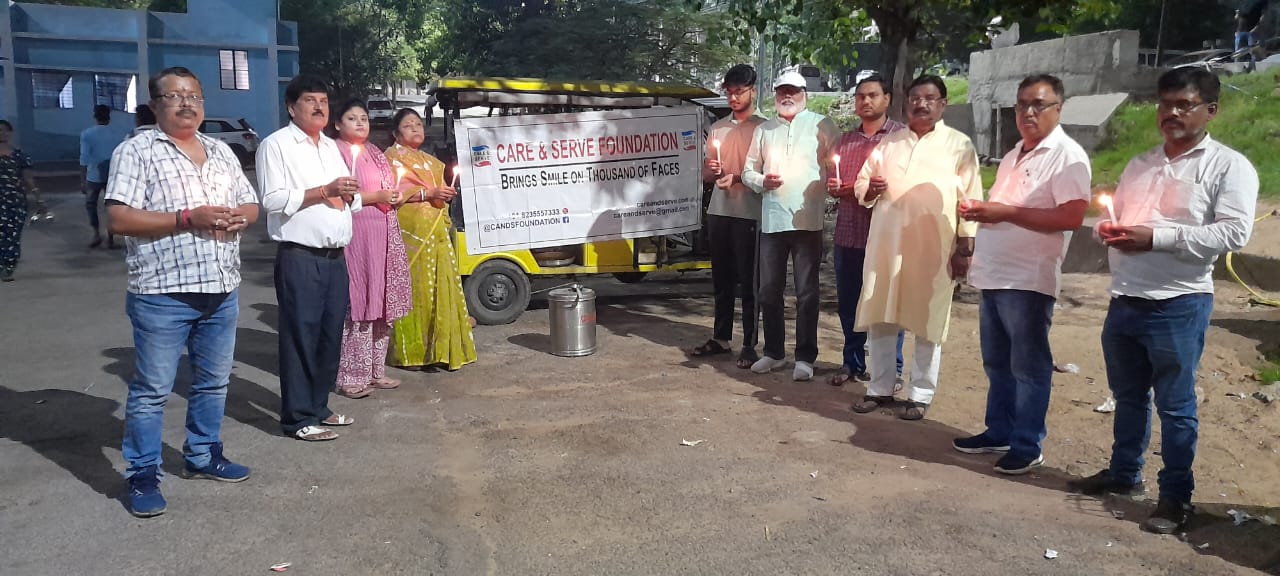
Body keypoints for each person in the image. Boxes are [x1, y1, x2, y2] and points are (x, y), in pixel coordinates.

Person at [1070, 68, 1258, 534]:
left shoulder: (1228, 166)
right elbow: (1120, 217)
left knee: (1176, 406)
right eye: (1165, 104)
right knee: (1128, 396)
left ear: (1210, 111)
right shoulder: (1141, 164)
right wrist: (1106, 230)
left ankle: (1176, 497)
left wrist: (1156, 238)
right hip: (1125, 298)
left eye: (1183, 105)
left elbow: (1234, 232)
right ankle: (1124, 475)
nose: (1171, 113)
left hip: (1178, 302)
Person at [103, 67, 259, 517]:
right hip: (162, 293)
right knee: (153, 390)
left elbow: (250, 202)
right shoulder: (136, 151)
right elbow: (118, 219)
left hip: (221, 287)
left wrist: (242, 217)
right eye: (174, 96)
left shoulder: (220, 150)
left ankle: (203, 455)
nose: (187, 103)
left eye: (194, 95)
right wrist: (186, 218)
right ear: (155, 106)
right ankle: (142, 474)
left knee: (213, 382)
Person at [952, 74, 1091, 475]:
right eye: (1022, 104)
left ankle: (1027, 443)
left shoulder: (1066, 155)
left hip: (1027, 279)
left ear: (1058, 109)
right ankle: (1000, 430)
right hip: (994, 273)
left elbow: (1071, 216)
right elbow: (1006, 208)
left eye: (1038, 104)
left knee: (1028, 367)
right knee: (997, 362)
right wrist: (983, 212)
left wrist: (1005, 213)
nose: (1028, 112)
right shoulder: (1015, 152)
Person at [258, 75, 391, 442]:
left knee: (330, 334)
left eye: (323, 101)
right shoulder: (276, 145)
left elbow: (349, 199)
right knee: (301, 335)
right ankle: (297, 417)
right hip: (301, 255)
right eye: (310, 100)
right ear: (291, 107)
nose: (319, 107)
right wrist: (323, 191)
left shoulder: (331, 147)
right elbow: (271, 200)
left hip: (336, 256)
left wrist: (355, 194)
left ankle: (319, 406)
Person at [852, 75, 982, 420]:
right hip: (887, 245)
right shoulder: (889, 143)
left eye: (929, 98)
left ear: (943, 104)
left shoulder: (959, 145)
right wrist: (870, 189)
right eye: (915, 98)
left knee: (928, 320)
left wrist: (965, 244)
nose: (921, 104)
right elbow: (862, 183)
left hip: (934, 247)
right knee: (881, 317)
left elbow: (971, 196)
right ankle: (880, 387)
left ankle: (920, 394)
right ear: (906, 102)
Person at [741, 70, 841, 381]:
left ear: (804, 94)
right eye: (782, 90)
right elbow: (747, 171)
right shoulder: (765, 130)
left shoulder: (822, 125)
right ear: (775, 94)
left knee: (807, 292)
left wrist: (833, 182)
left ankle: (805, 356)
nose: (787, 96)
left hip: (808, 219)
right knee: (768, 290)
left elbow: (836, 163)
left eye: (793, 91)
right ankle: (773, 352)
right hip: (773, 220)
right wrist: (762, 181)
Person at [825, 74, 906, 387]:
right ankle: (852, 362)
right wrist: (838, 188)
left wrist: (857, 189)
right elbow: (838, 183)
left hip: (887, 237)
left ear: (887, 99)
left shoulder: (900, 138)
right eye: (860, 96)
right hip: (850, 233)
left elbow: (902, 186)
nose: (866, 101)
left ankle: (892, 369)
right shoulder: (846, 141)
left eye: (873, 95)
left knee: (888, 305)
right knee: (849, 304)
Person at [330, 99, 413, 398]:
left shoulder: (375, 152)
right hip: (356, 235)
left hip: (383, 233)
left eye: (363, 118)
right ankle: (351, 374)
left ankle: (376, 369)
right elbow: (339, 196)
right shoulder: (334, 152)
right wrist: (376, 196)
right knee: (359, 302)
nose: (360, 123)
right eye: (352, 118)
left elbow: (388, 189)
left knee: (381, 301)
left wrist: (394, 196)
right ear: (338, 124)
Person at [384, 107, 477, 371]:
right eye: (408, 125)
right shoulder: (391, 159)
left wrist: (442, 194)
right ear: (396, 133)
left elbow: (436, 194)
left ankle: (441, 351)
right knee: (415, 291)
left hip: (436, 232)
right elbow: (393, 194)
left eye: (418, 124)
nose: (415, 128)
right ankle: (412, 355)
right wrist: (428, 194)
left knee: (440, 287)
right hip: (411, 234)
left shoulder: (430, 162)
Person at [688, 64, 766, 369]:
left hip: (750, 212)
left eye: (739, 91)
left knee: (749, 282)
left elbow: (767, 175)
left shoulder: (765, 128)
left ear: (752, 91)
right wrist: (712, 171)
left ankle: (750, 343)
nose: (733, 98)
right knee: (721, 279)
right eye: (729, 92)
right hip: (720, 211)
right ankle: (721, 337)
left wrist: (736, 177)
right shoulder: (718, 128)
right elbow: (706, 173)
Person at [0, 121, 37, 282]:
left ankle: (8, 267)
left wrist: (39, 199)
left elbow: (28, 179)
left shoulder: (20, 156)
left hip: (15, 201)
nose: (2, 134)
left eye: (4, 131)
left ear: (10, 133)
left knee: (12, 234)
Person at [81, 104, 119, 248]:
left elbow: (84, 158)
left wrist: (82, 179)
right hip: (113, 175)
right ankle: (111, 238)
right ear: (109, 117)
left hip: (93, 175)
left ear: (95, 116)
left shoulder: (87, 134)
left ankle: (96, 234)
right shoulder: (117, 133)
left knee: (91, 205)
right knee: (111, 207)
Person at [1235, 0, 1269, 68]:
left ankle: (1253, 66)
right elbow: (1236, 18)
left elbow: (1262, 18)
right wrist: (1237, 14)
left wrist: (1255, 29)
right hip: (1240, 31)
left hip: (1251, 31)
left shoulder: (1259, 5)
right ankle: (1237, 66)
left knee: (1252, 50)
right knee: (1237, 51)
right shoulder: (1242, 5)